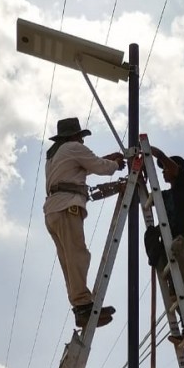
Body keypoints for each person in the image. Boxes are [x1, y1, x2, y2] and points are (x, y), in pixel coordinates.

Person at [44, 117, 126, 328]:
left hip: (54, 210)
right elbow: (98, 166)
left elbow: (83, 167)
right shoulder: (72, 147)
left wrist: (107, 159)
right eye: (80, 137)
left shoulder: (56, 155)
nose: (82, 142)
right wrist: (115, 164)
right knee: (78, 256)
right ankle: (83, 306)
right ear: (74, 136)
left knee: (69, 261)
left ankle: (81, 307)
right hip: (66, 206)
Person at [145, 146, 184, 343]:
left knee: (180, 289)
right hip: (167, 240)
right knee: (150, 236)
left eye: (165, 170)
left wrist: (151, 152)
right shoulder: (164, 195)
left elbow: (167, 162)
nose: (163, 172)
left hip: (180, 241)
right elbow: (151, 197)